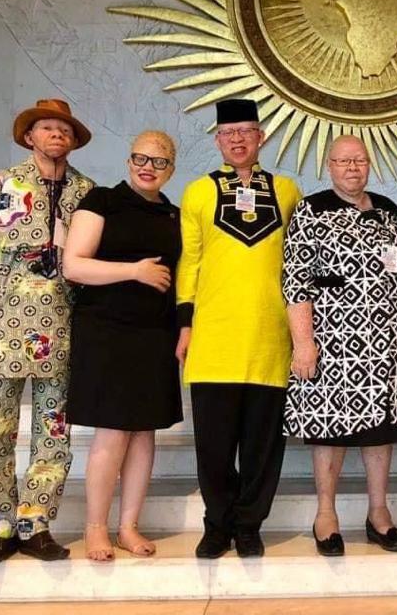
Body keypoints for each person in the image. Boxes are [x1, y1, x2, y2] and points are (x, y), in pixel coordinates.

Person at [0, 98, 94, 565]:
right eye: (47, 128)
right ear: (29, 136)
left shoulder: (86, 193)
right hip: (2, 329)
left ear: (74, 141)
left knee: (53, 430)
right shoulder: (0, 185)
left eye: (65, 129)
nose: (57, 135)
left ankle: (34, 520)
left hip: (62, 328)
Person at [175, 99, 303, 559]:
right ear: (216, 140)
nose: (237, 139)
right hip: (214, 335)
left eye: (246, 131)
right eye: (228, 133)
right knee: (213, 444)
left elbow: (298, 264)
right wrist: (185, 322)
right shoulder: (197, 193)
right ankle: (217, 524)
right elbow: (189, 260)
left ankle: (250, 524)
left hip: (270, 336)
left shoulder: (288, 191)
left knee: (262, 445)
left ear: (261, 137)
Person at [282, 135, 397, 557]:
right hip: (334, 344)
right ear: (329, 166)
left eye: (359, 160)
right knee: (330, 429)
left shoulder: (390, 212)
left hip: (389, 345)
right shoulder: (310, 210)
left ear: (370, 164)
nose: (352, 168)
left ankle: (379, 514)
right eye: (343, 161)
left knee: (383, 431)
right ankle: (326, 515)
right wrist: (303, 342)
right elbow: (295, 280)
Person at [63, 130, 184, 561]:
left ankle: (129, 525)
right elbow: (74, 265)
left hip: (155, 333)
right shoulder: (101, 201)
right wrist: (133, 272)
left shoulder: (174, 214)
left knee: (144, 431)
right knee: (113, 431)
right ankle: (96, 527)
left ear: (171, 168)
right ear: (129, 160)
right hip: (108, 330)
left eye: (159, 161)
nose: (148, 167)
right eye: (140, 158)